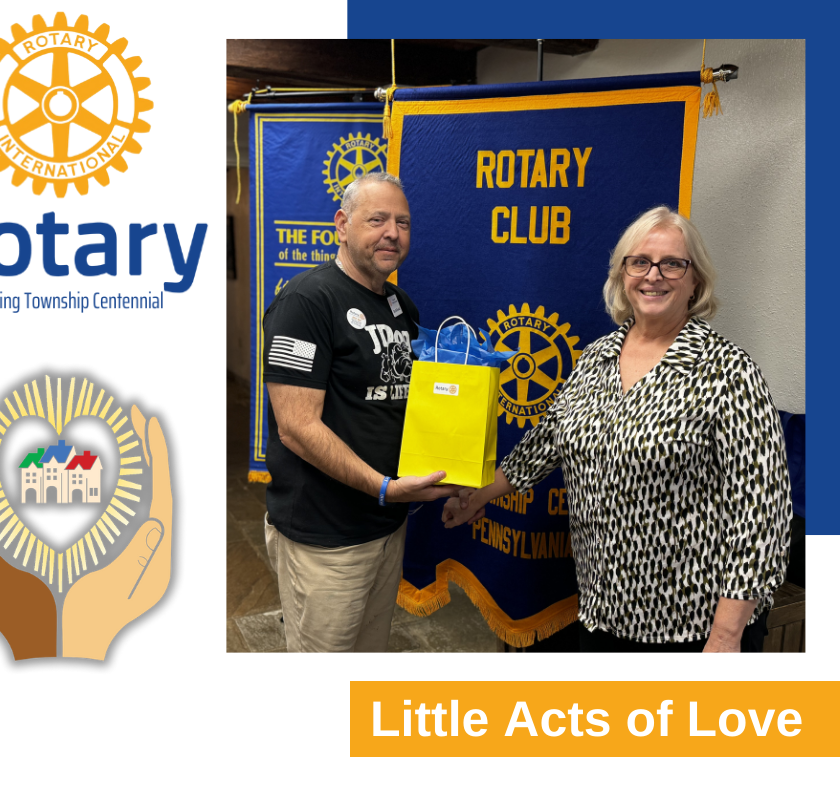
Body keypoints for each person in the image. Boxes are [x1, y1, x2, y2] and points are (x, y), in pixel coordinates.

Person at [442, 206, 792, 653]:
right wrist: (479, 494)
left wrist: (726, 634)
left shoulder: (729, 372)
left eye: (672, 264)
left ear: (695, 281)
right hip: (603, 612)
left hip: (692, 630)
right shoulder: (597, 356)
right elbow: (548, 440)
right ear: (623, 274)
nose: (654, 275)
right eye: (640, 262)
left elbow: (761, 517)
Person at [263, 172, 456, 652]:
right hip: (325, 536)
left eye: (403, 222)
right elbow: (296, 427)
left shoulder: (401, 305)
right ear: (341, 226)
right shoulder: (305, 301)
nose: (393, 232)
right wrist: (385, 489)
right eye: (377, 219)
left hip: (386, 525)